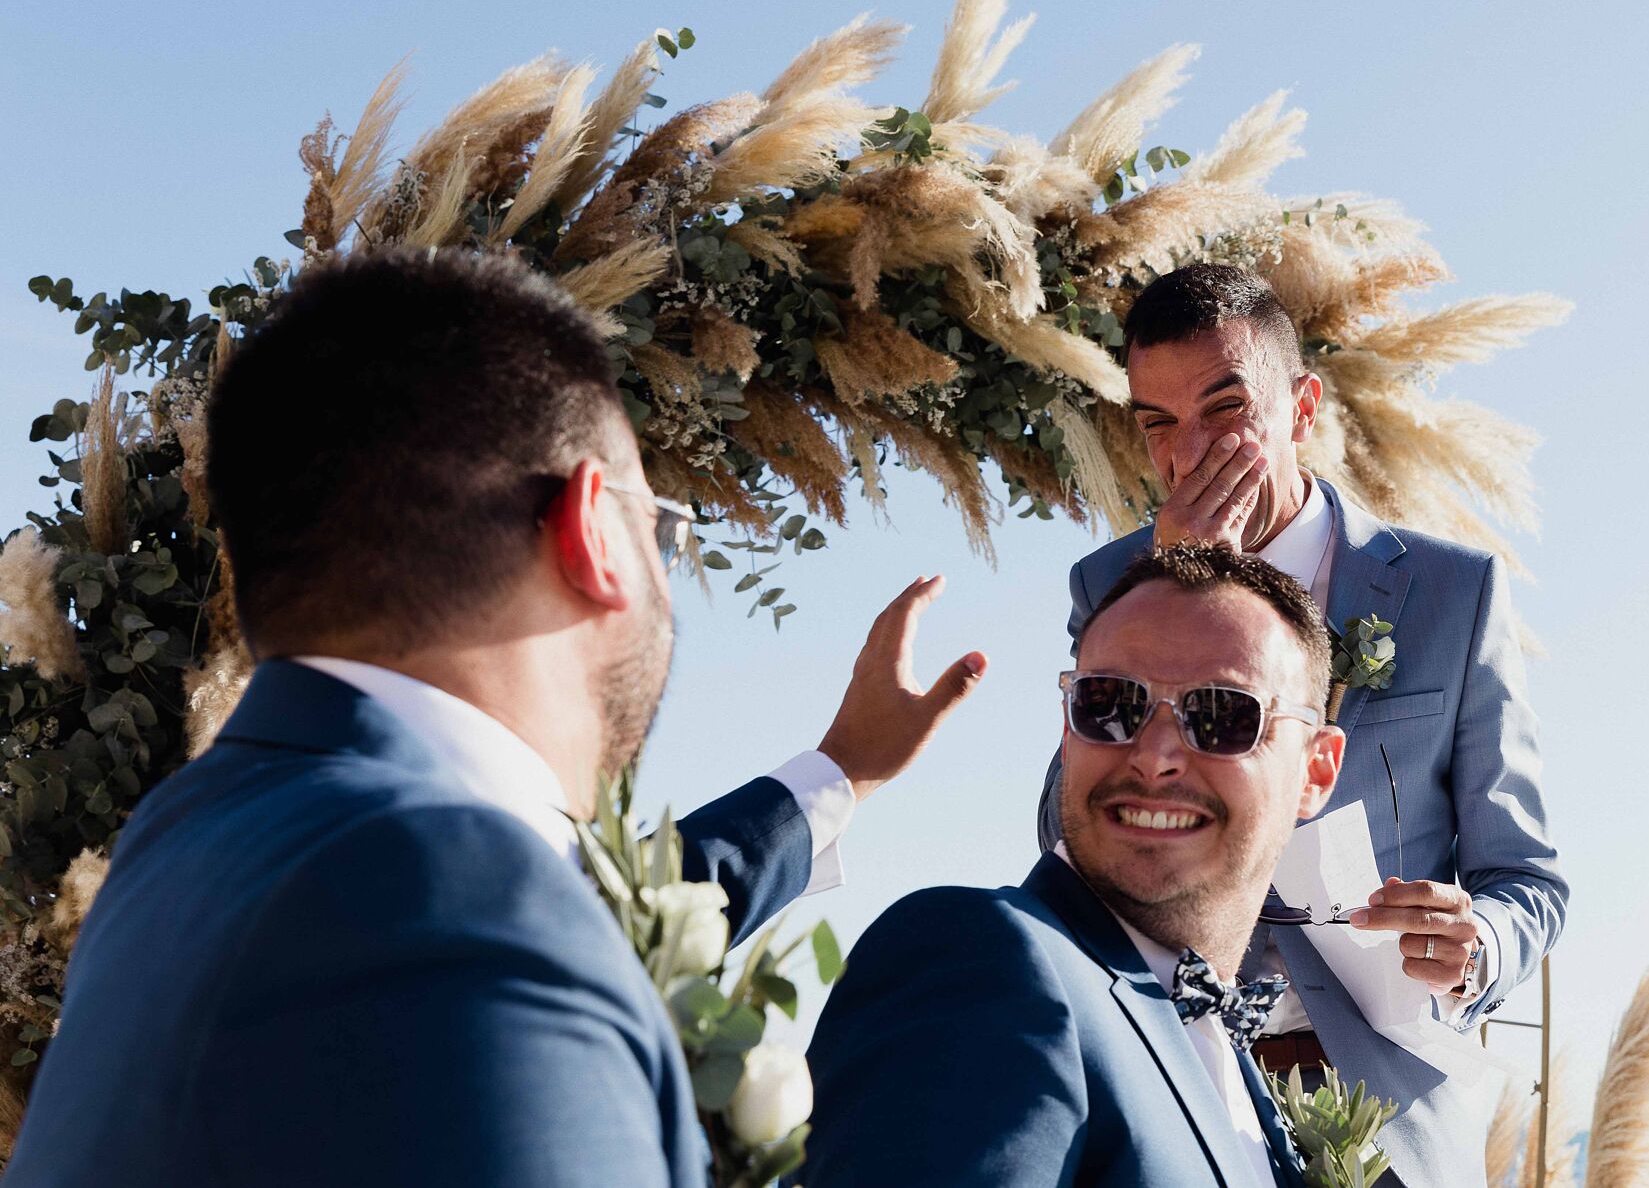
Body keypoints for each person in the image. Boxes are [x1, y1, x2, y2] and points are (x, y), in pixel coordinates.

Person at [6, 247, 985, 1188]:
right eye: (661, 529)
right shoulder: (455, 897)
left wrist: (837, 772)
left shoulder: (179, 846)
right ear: (594, 528)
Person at [1036, 263, 1567, 1183]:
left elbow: (1528, 878)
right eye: (1157, 424)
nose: (1188, 453)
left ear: (1302, 407)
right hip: (1171, 1076)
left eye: (1223, 408)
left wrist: (1476, 943)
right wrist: (1169, 594)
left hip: (1383, 1104)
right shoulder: (1108, 585)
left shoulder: (1453, 591)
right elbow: (1063, 832)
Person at [804, 544, 1346, 1188]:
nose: (1154, 755)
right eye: (1110, 703)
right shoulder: (981, 959)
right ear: (1067, 728)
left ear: (1316, 771)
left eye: (1222, 715)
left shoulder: (1230, 1067)